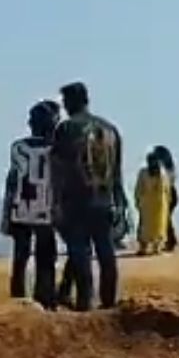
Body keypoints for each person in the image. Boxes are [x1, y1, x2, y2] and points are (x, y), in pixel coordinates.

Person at [51, 81, 125, 311]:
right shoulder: (110, 129)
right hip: (105, 199)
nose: (64, 106)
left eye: (65, 102)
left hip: (76, 200)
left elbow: (58, 168)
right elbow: (117, 172)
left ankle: (85, 300)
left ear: (72, 101)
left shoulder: (66, 129)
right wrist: (120, 203)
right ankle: (109, 299)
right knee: (106, 250)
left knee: (80, 251)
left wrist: (56, 203)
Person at [1, 100, 59, 309]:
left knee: (20, 257)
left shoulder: (18, 147)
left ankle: (18, 297)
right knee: (46, 256)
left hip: (21, 207)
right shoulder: (57, 148)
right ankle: (45, 297)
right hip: (45, 209)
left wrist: (7, 213)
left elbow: (12, 181)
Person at [135, 151, 171, 256]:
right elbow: (138, 188)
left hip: (160, 205)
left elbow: (166, 189)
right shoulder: (143, 173)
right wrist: (138, 200)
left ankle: (157, 247)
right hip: (147, 204)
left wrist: (167, 201)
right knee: (145, 228)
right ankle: (143, 247)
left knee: (159, 227)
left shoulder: (162, 174)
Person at [151, 146, 179, 252]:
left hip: (168, 195)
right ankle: (170, 240)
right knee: (166, 219)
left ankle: (170, 241)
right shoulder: (170, 168)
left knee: (166, 219)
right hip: (170, 194)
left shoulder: (165, 170)